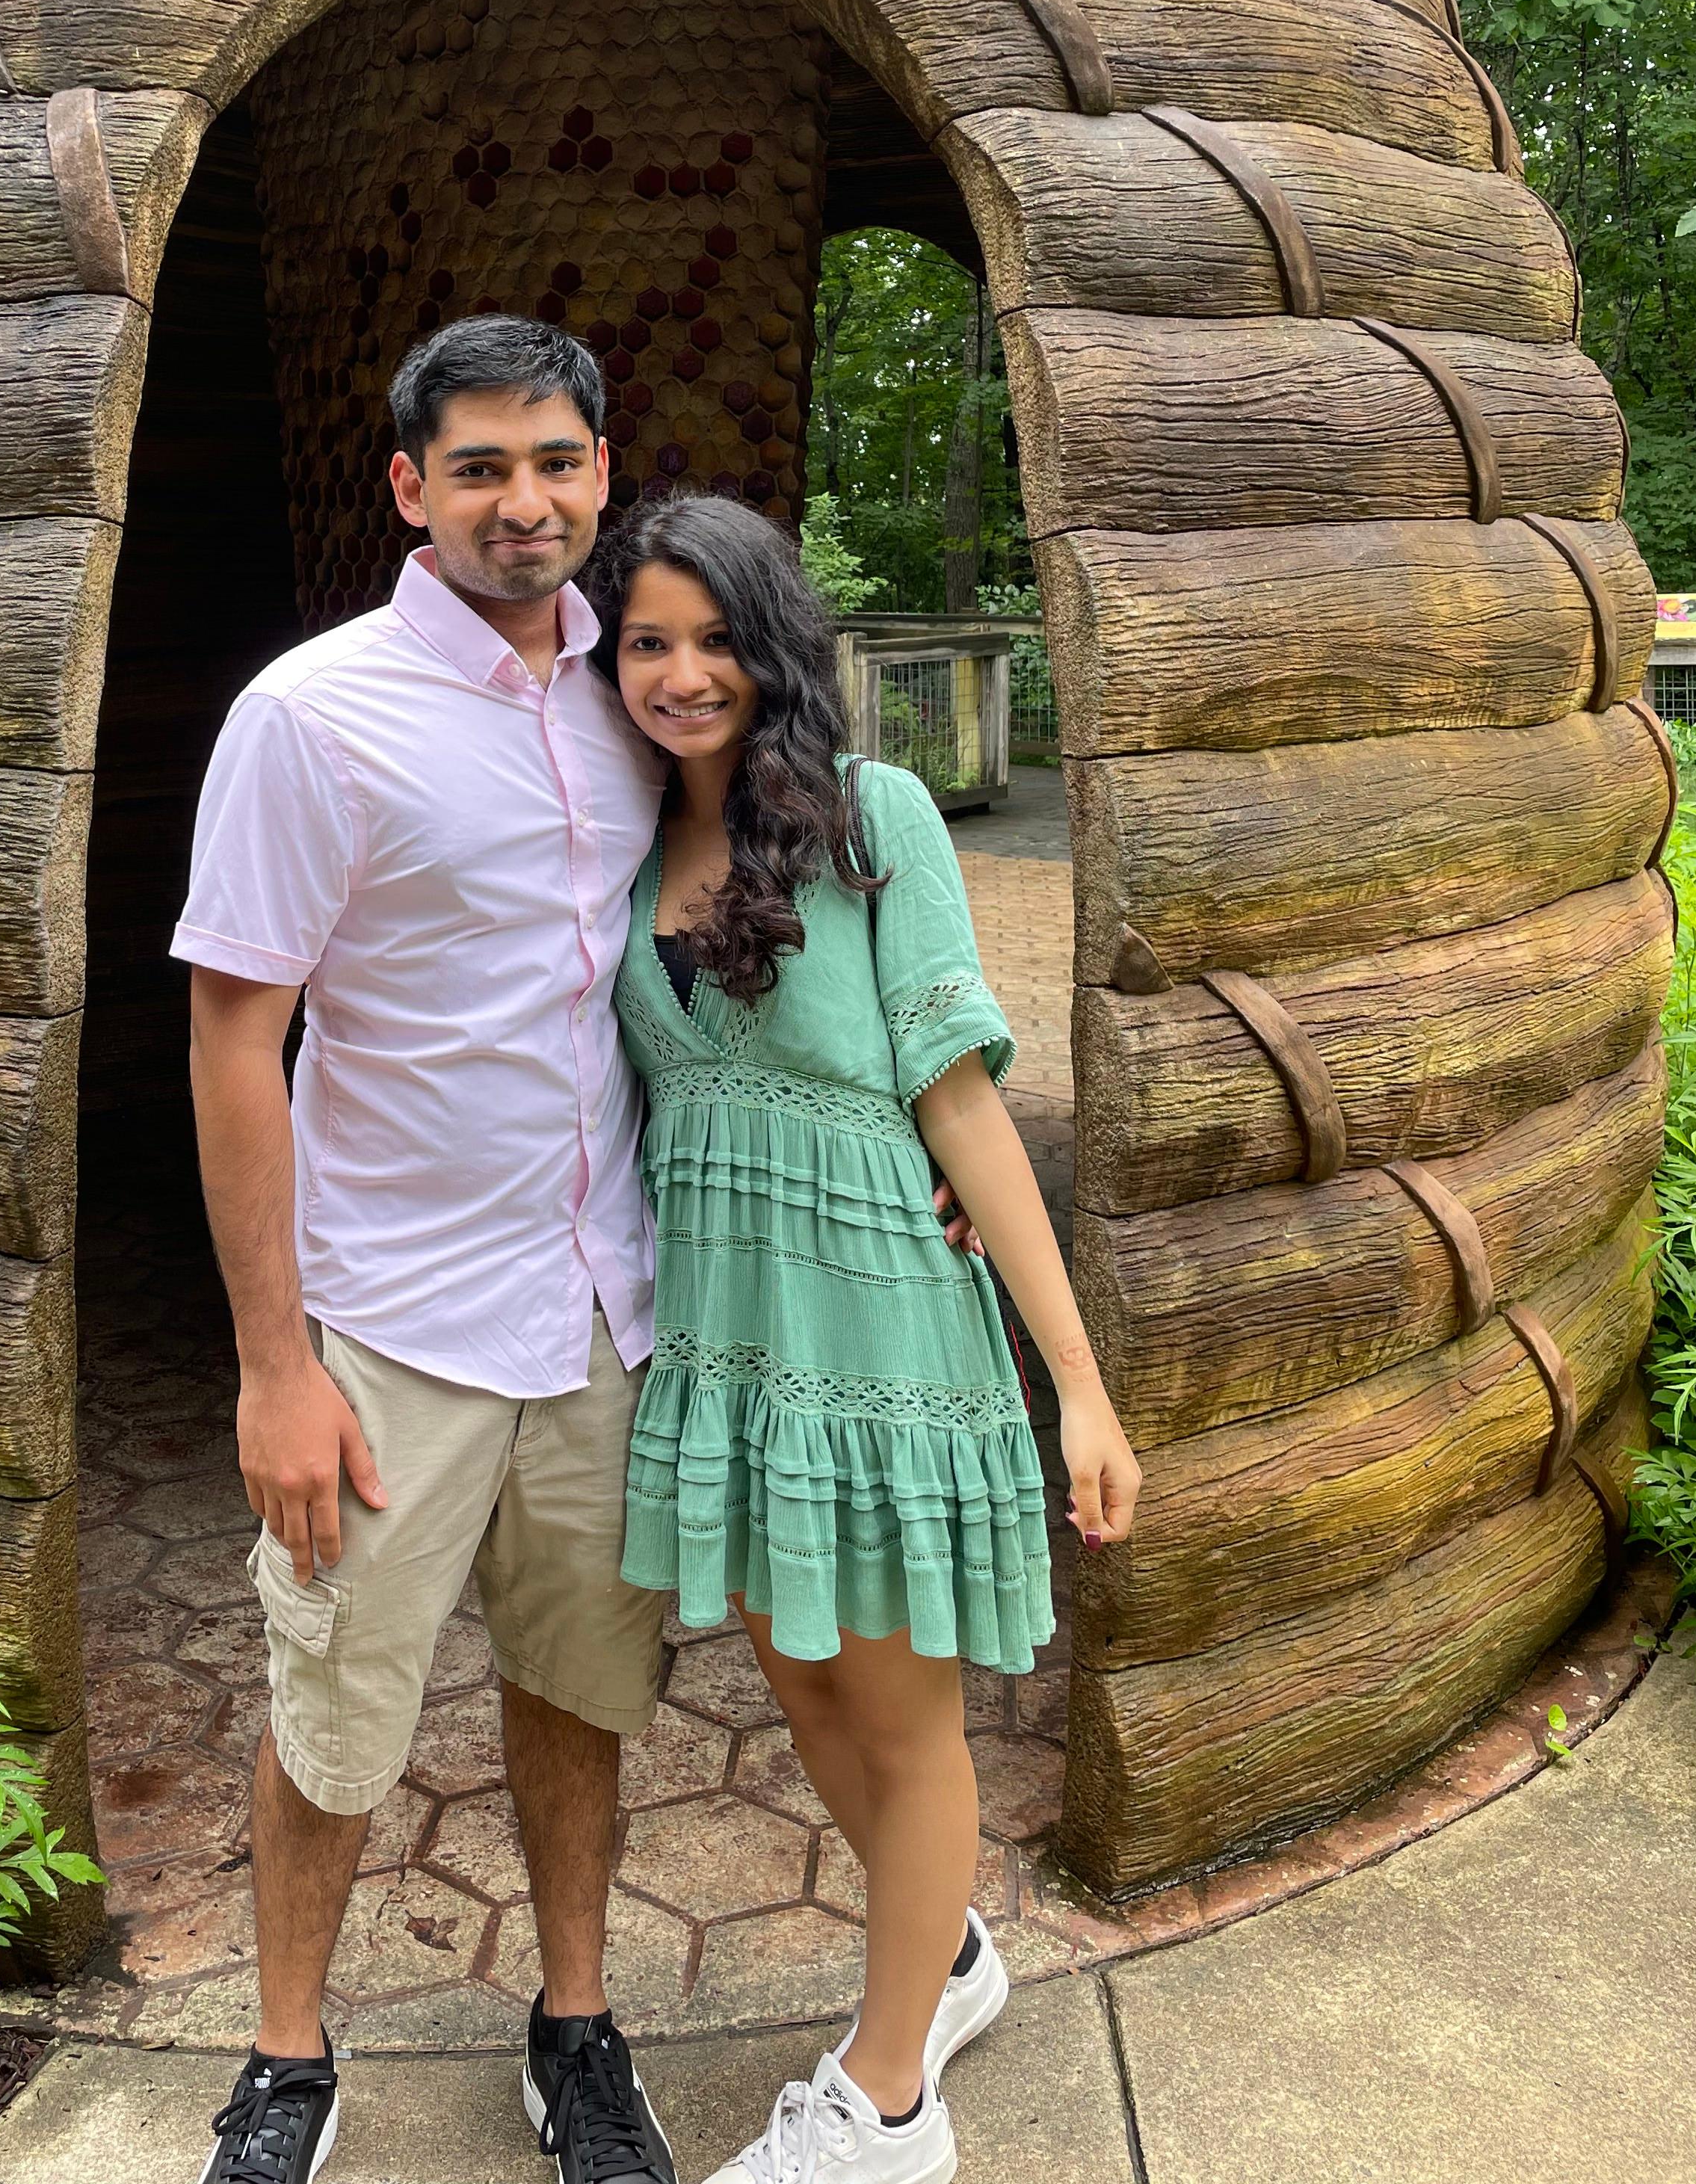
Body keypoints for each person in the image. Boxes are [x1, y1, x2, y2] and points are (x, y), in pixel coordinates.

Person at [175, 317, 681, 2184]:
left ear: (601, 470)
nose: (521, 502)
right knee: (333, 1711)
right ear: (410, 488)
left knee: (580, 1684)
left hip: (606, 1304)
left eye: (554, 461)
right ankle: (284, 2059)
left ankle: (576, 2026)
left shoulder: (642, 695)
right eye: (478, 468)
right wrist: (274, 1367)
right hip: (389, 1327)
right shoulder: (313, 717)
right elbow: (236, 1039)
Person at [586, 493, 1141, 2184]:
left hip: (888, 1342)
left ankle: (891, 2102)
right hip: (735, 1358)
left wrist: (1080, 1388)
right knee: (811, 1687)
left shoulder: (869, 813)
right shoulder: (615, 842)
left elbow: (959, 1106)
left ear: (775, 647)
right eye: (647, 643)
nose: (683, 674)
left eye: (716, 639)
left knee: (905, 1726)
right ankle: (948, 1954)